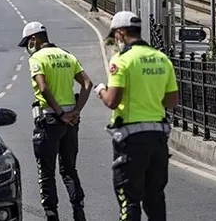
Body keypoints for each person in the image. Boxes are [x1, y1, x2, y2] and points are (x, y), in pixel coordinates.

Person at [93, 11, 179, 221]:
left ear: (121, 33)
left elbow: (112, 101)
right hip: (158, 139)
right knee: (155, 198)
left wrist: (101, 90)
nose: (115, 41)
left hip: (132, 141)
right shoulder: (162, 59)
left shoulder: (122, 61)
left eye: (115, 36)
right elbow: (171, 101)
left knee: (129, 200)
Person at [18, 21, 93, 221]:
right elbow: (87, 83)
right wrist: (76, 111)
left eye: (27, 42)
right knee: (69, 170)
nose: (28, 47)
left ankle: (52, 215)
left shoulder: (37, 58)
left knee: (47, 172)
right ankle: (79, 212)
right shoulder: (67, 55)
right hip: (71, 123)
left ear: (34, 39)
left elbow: (43, 88)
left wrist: (60, 113)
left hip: (50, 120)